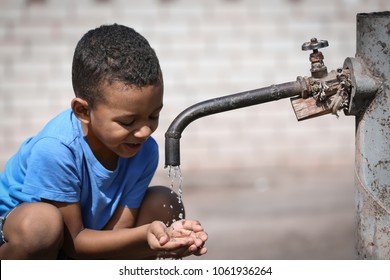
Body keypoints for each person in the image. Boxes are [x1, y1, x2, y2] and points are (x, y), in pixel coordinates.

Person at [0, 24, 208, 260]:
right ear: (83, 111)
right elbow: (74, 243)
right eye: (128, 122)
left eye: (153, 116)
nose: (144, 131)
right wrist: (144, 237)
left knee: (165, 203)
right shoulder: (57, 149)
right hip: (27, 235)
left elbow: (119, 233)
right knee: (41, 226)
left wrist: (163, 237)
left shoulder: (144, 150)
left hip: (83, 238)